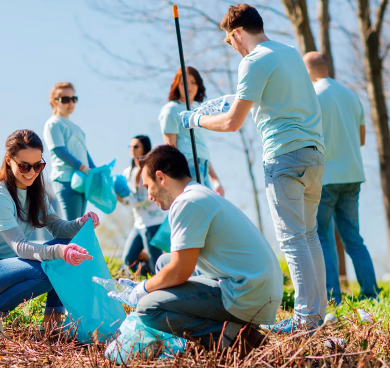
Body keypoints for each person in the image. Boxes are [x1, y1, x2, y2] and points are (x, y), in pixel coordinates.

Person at [179, 4, 326, 333]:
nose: (231, 48)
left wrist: (196, 120)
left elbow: (232, 123)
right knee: (309, 235)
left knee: (292, 239)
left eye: (228, 41)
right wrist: (234, 96)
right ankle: (316, 317)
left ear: (237, 33)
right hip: (313, 154)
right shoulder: (288, 52)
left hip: (284, 157)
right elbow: (276, 96)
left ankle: (304, 322)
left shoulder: (253, 60)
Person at [109, 145, 282, 356]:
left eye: (147, 186)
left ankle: (236, 337)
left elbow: (179, 271)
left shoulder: (187, 203)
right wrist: (152, 285)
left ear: (161, 177)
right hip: (256, 287)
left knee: (148, 308)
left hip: (248, 294)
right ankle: (228, 329)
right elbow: (174, 266)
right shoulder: (198, 194)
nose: (149, 196)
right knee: (164, 262)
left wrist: (143, 288)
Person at [0, 129, 99, 333]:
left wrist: (80, 223)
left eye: (38, 165)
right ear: (9, 160)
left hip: (7, 270)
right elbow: (21, 247)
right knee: (52, 267)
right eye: (24, 166)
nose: (31, 172)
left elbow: (58, 228)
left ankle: (52, 324)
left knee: (66, 250)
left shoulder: (36, 194)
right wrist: (59, 253)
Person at [303, 51, 379, 305]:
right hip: (353, 176)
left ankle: (333, 298)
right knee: (353, 238)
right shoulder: (351, 95)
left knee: (322, 237)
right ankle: (371, 294)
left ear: (309, 70)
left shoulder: (312, 97)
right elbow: (361, 139)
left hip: (325, 178)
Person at [159, 67, 224, 195]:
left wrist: (215, 179)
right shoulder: (171, 110)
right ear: (177, 85)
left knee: (209, 209)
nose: (189, 86)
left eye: (193, 82)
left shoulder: (200, 111)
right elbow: (170, 148)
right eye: (184, 83)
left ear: (199, 85)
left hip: (203, 166)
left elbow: (201, 149)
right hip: (187, 166)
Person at [43, 82, 96, 220]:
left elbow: (85, 153)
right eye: (65, 99)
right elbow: (59, 150)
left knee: (79, 225)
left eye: (74, 99)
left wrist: (95, 171)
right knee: (72, 226)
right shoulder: (53, 123)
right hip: (65, 179)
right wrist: (82, 167)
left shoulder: (77, 127)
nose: (71, 103)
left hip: (82, 179)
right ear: (54, 102)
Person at [118, 135, 166, 275]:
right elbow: (126, 192)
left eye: (136, 146)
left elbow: (147, 197)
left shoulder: (150, 169)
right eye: (130, 147)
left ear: (144, 148)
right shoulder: (127, 171)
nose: (132, 150)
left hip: (152, 222)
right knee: (128, 259)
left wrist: (126, 201)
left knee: (156, 262)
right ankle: (150, 279)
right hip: (138, 223)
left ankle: (162, 286)